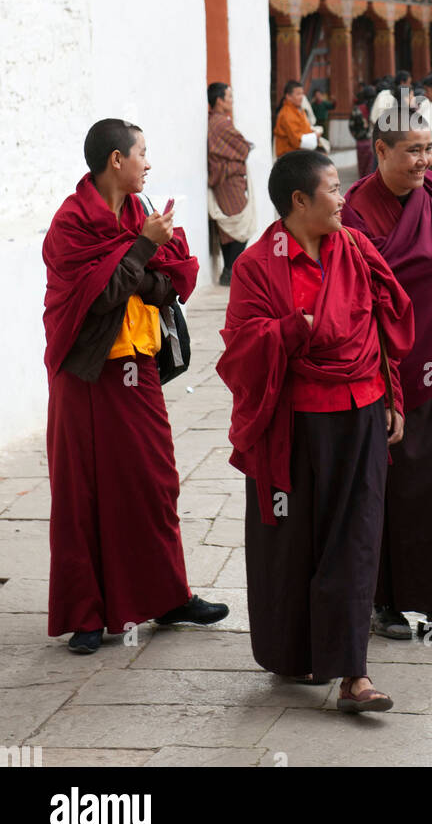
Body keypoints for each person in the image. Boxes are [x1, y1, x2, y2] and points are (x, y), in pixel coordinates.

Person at [217, 150, 413, 712]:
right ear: (299, 201)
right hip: (297, 422)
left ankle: (354, 676)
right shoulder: (258, 265)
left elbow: (382, 320)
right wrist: (291, 329)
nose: (343, 197)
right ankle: (296, 650)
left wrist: (393, 393)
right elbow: (240, 351)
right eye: (332, 188)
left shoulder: (354, 246)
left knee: (356, 537)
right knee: (296, 539)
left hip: (362, 406)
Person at [44, 119, 227, 654]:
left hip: (135, 364)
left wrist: (142, 263)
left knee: (153, 481)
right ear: (115, 161)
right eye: (142, 153)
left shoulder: (143, 216)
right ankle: (86, 614)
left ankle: (169, 596)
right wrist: (143, 256)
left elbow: (179, 279)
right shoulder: (71, 223)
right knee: (83, 491)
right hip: (83, 372)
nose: (149, 163)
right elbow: (95, 297)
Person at [342, 116, 432, 642]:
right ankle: (387, 602)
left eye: (428, 149)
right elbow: (360, 286)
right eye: (412, 151)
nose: (424, 161)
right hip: (385, 367)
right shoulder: (355, 207)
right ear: (381, 151)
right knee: (388, 486)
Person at [207, 83, 256, 286]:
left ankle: (230, 270)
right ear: (219, 100)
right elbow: (241, 147)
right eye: (229, 96)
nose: (231, 100)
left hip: (228, 180)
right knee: (238, 225)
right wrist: (245, 148)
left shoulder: (217, 122)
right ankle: (230, 269)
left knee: (231, 228)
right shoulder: (220, 123)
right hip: (228, 181)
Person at [274, 80, 315, 156]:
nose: (301, 97)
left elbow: (304, 129)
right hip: (289, 157)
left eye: (302, 94)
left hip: (299, 154)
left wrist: (312, 132)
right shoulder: (287, 114)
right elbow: (297, 141)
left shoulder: (299, 110)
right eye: (298, 94)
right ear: (288, 96)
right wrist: (314, 136)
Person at [348, 85, 376, 178]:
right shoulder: (376, 108)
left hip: (361, 142)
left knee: (362, 169)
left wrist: (357, 136)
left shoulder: (357, 109)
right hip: (373, 141)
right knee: (372, 169)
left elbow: (351, 126)